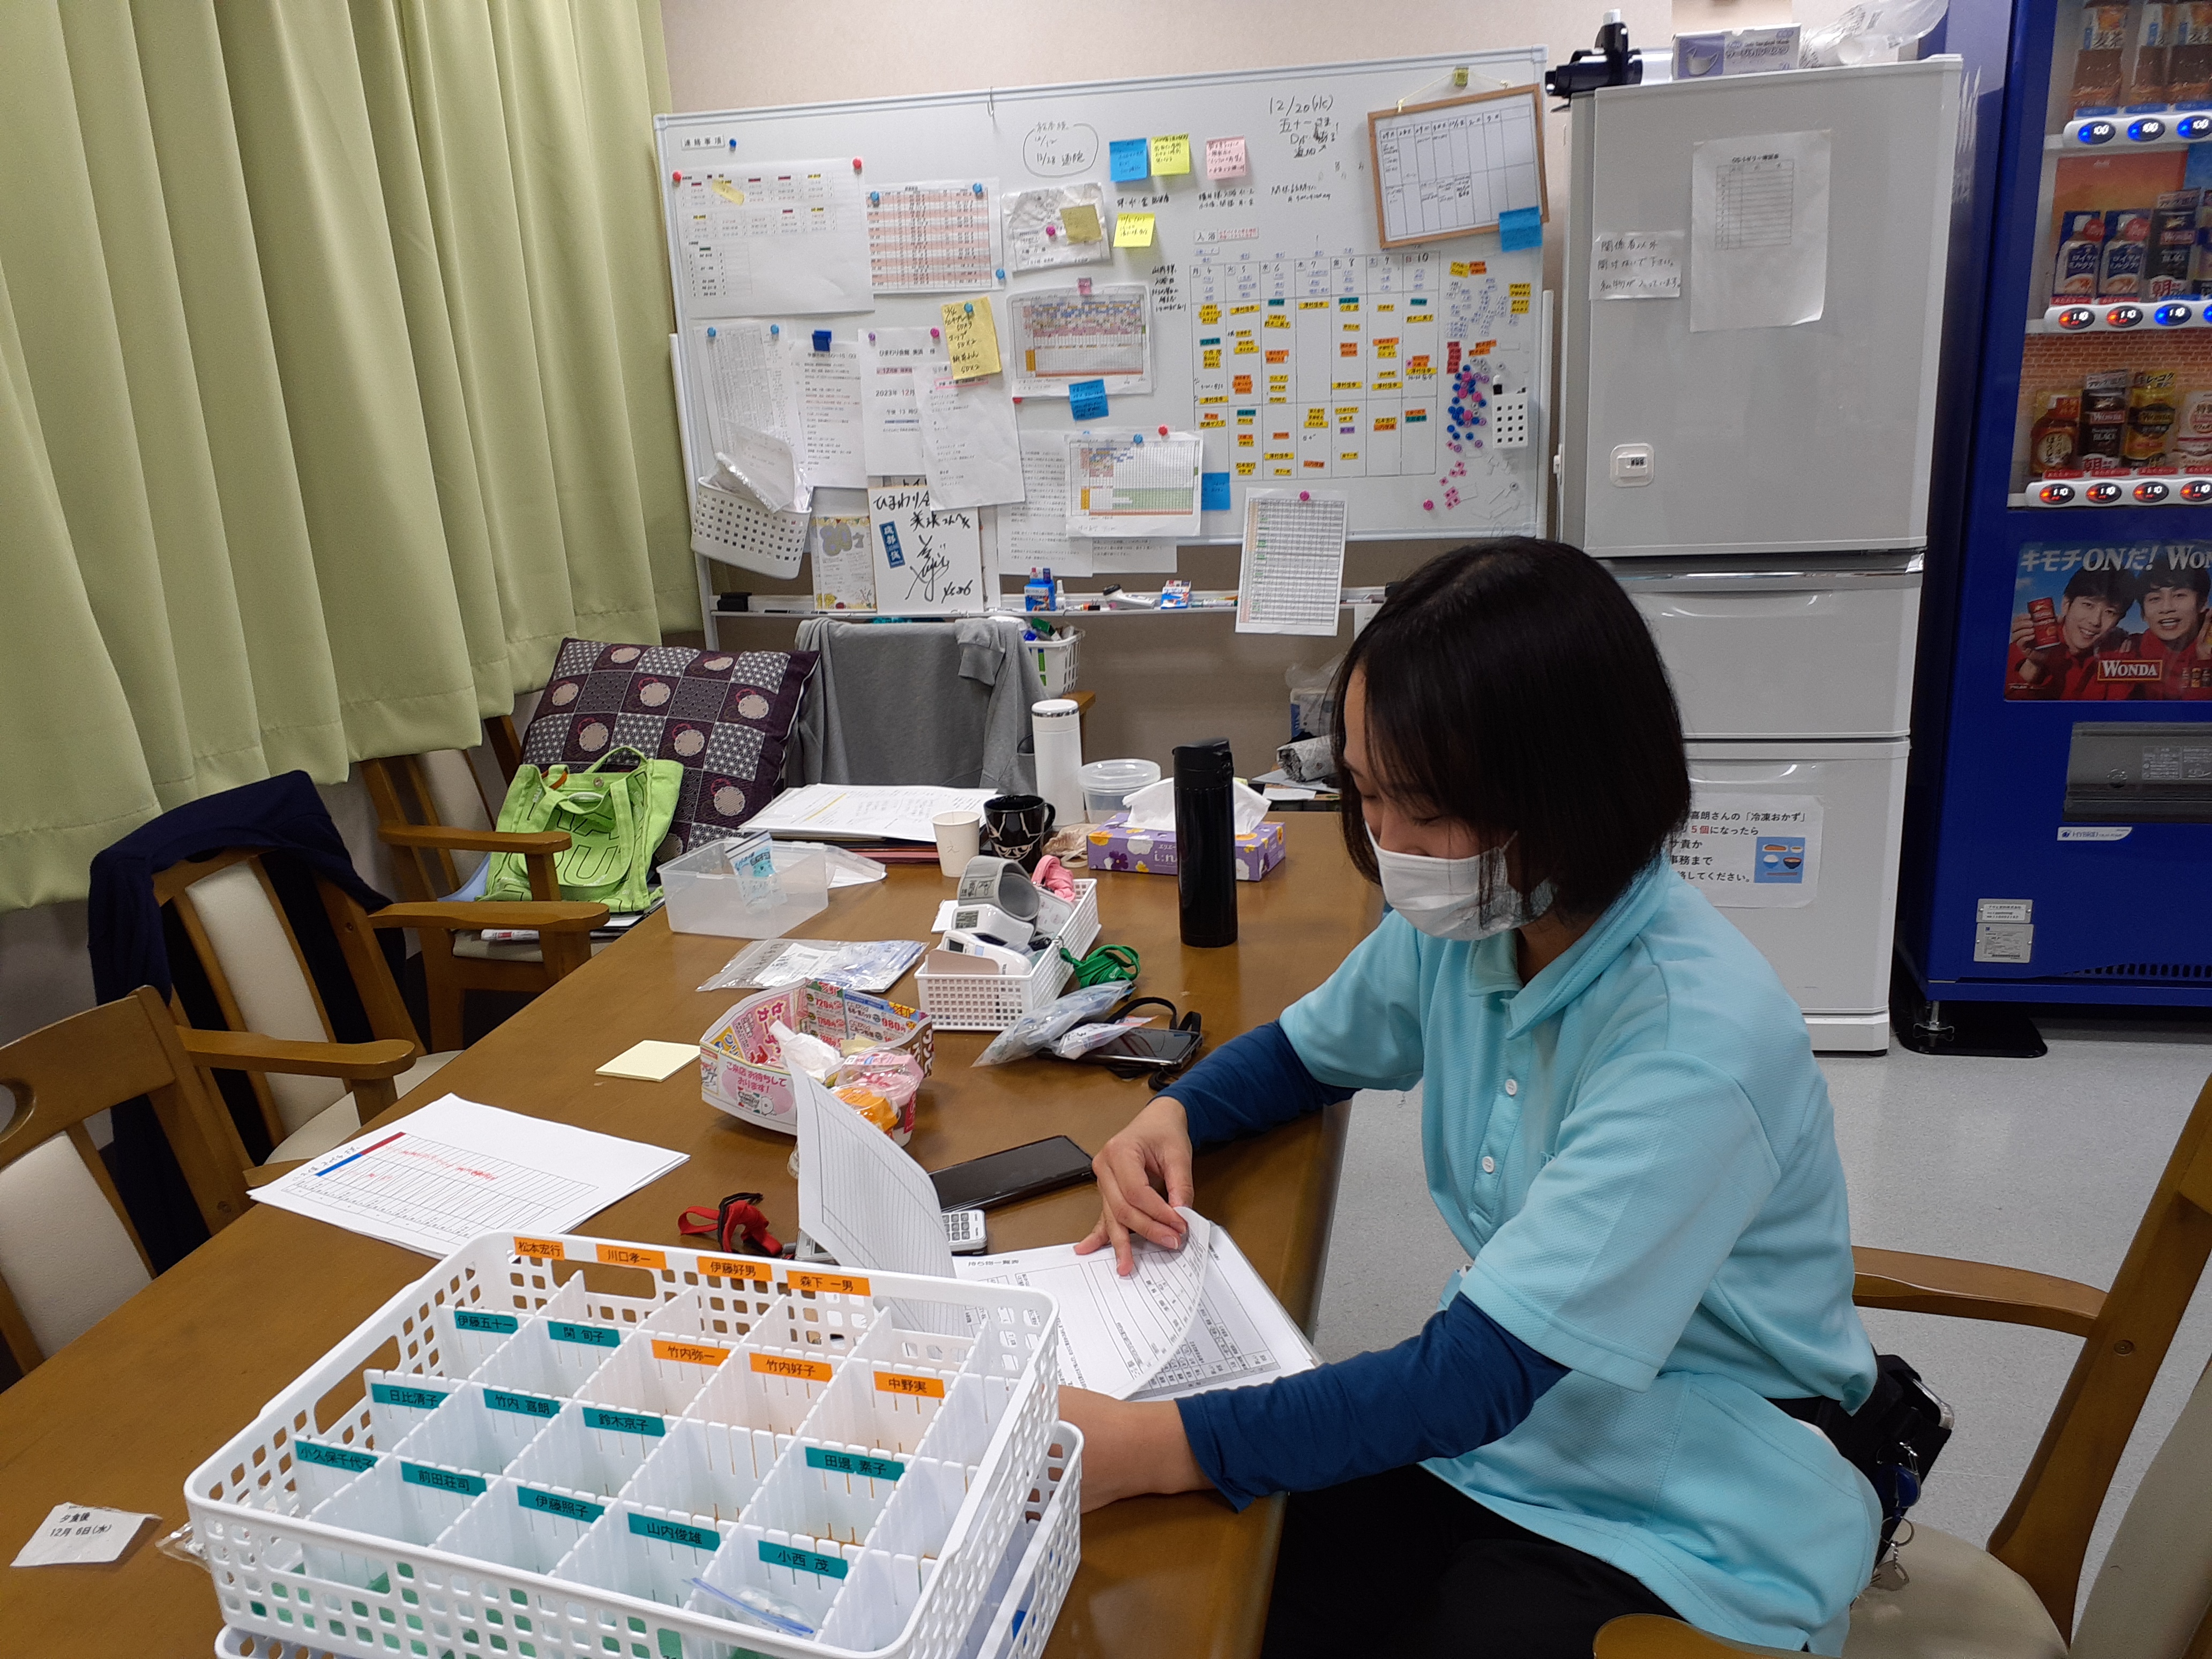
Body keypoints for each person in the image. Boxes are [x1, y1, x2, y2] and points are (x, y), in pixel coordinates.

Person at [1060, 539, 1881, 1658]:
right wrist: (1179, 1112)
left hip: (1707, 1496)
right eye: (1366, 790)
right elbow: (1306, 1054)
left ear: (1569, 792)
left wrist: (1146, 1446)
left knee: (1259, 1542)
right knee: (1218, 1579)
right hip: (1535, 1427)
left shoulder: (1694, 1045)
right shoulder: (1488, 918)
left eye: (1426, 806)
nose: (1388, 841)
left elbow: (1472, 1380)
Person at [2006, 564, 2140, 699]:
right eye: (2088, 605)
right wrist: (2034, 665)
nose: (2095, 621)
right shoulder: (2028, 645)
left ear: (2119, 620)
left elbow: (2120, 709)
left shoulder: (2119, 652)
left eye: (2110, 612)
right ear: (2066, 605)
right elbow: (2007, 707)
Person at [2132, 557, 2212, 699]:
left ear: (2202, 603)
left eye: (2179, 595)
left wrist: (2205, 662)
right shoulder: (2130, 651)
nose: (2167, 608)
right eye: (2155, 599)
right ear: (2143, 614)